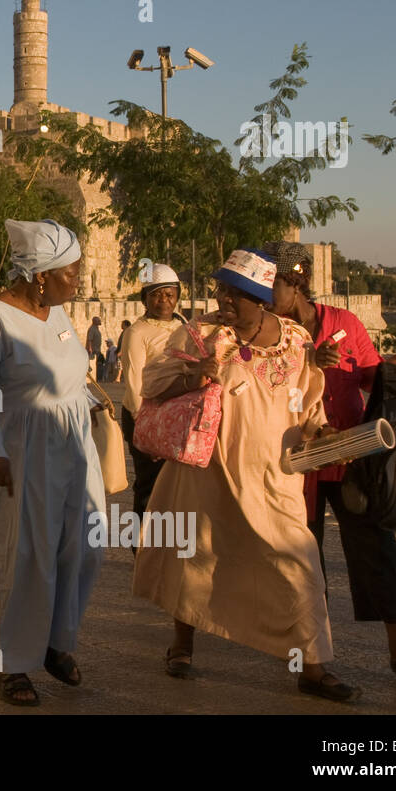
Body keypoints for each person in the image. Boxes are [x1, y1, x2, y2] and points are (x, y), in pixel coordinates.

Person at [132, 249, 361, 702]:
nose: (225, 301)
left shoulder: (295, 340)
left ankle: (313, 667)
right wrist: (193, 376)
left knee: (301, 565)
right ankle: (182, 643)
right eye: (222, 290)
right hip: (207, 469)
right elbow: (152, 383)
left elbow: (306, 401)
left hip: (274, 477)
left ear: (261, 299)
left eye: (236, 294)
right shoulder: (202, 332)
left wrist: (321, 431)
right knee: (193, 557)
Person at [265, 240, 396, 676]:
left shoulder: (342, 321)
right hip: (296, 462)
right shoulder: (269, 332)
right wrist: (308, 363)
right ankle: (310, 661)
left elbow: (365, 373)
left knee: (375, 547)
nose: (265, 295)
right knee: (303, 559)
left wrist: (387, 369)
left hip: (350, 455)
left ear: (295, 282)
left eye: (271, 285)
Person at [0, 219, 103, 706]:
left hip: (73, 448)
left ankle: (57, 640)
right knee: (21, 555)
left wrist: (92, 403)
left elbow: (67, 372)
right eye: (72, 272)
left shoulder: (56, 312)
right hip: (20, 453)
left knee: (83, 545)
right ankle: (10, 663)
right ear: (41, 273)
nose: (79, 280)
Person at [119, 264, 183, 523]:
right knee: (149, 488)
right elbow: (134, 384)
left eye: (169, 294)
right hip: (145, 417)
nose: (164, 301)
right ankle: (143, 551)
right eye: (157, 295)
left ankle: (169, 552)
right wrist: (146, 428)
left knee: (175, 489)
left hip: (175, 418)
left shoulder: (182, 324)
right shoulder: (137, 332)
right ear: (145, 298)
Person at [114, 319, 132, 383]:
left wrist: (121, 351)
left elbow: (125, 343)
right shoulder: (124, 332)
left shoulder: (127, 332)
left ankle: (118, 378)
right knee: (120, 365)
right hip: (121, 350)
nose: (121, 325)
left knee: (120, 365)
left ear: (125, 325)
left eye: (122, 324)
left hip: (123, 351)